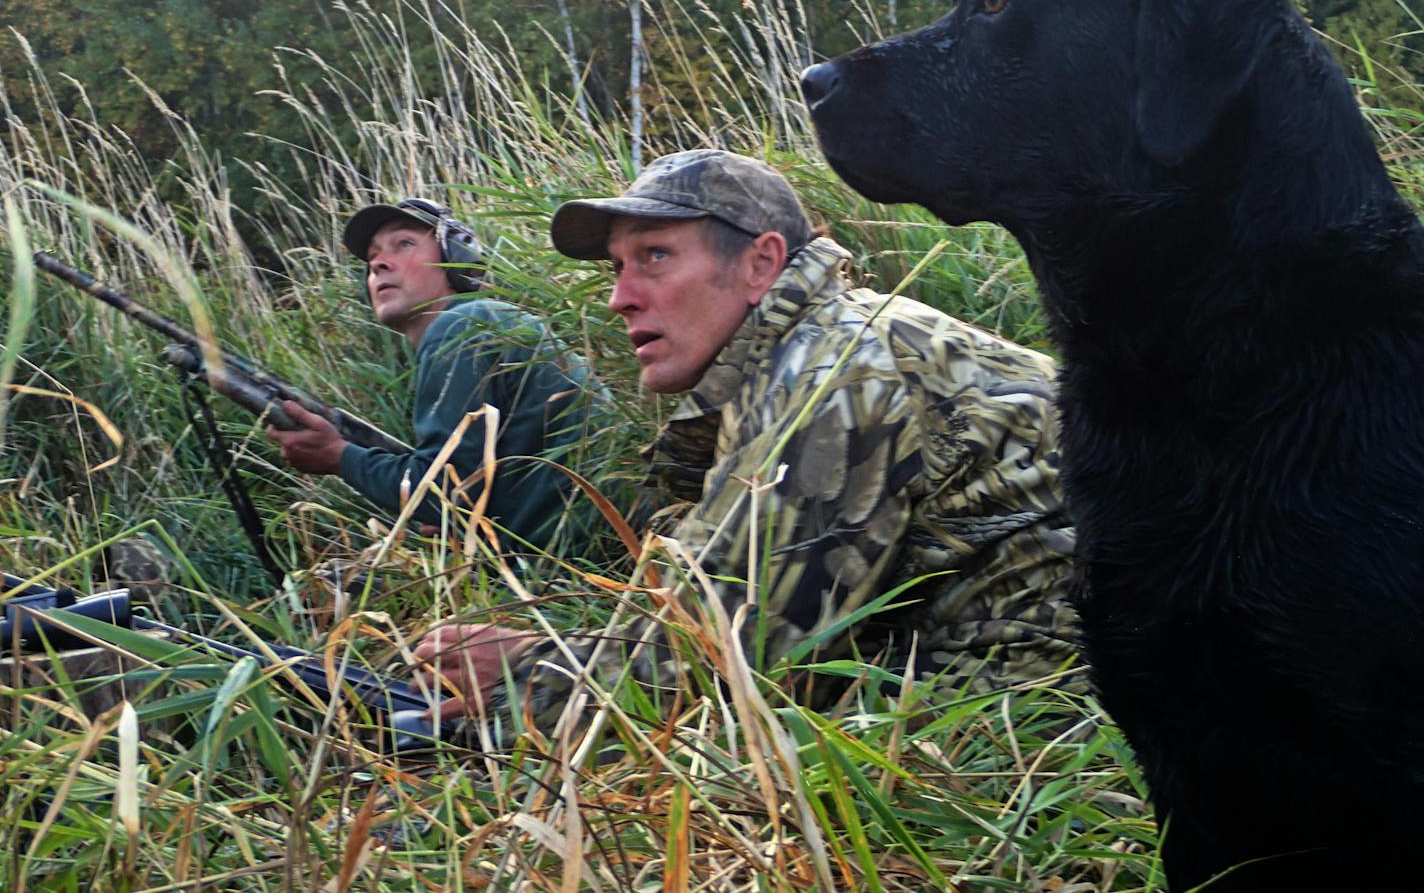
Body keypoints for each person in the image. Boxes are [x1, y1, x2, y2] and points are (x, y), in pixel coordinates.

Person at [411, 152, 1080, 734]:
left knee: (817, 768)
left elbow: (729, 670)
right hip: (1066, 665)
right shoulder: (815, 350)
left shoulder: (833, 373)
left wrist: (525, 676)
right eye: (618, 266)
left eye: (655, 257)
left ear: (762, 263)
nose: (619, 297)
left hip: (1067, 708)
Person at [267, 197, 596, 553]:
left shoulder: (462, 324)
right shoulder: (489, 321)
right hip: (593, 554)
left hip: (574, 571)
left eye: (404, 243)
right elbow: (471, 493)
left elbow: (442, 491)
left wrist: (338, 456)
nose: (377, 263)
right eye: (372, 256)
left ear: (458, 259)